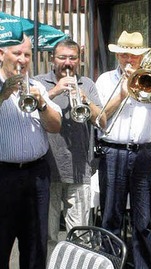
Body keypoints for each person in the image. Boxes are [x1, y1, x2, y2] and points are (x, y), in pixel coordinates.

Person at [95, 31, 151, 269]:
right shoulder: (104, 80)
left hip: (145, 153)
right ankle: (109, 264)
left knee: (143, 221)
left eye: (134, 55)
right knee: (111, 217)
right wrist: (122, 93)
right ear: (117, 56)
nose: (129, 60)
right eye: (124, 54)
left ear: (141, 56)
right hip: (113, 151)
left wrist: (150, 89)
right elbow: (100, 119)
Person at [33, 39, 104, 253]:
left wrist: (84, 99)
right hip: (47, 169)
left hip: (79, 169)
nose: (67, 62)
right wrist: (53, 92)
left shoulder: (87, 84)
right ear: (53, 60)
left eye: (72, 58)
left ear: (79, 61)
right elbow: (26, 115)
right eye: (62, 57)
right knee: (48, 235)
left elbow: (102, 120)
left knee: (80, 236)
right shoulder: (38, 83)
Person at [0, 35, 62, 269]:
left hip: (37, 174)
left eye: (27, 54)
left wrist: (42, 104)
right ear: (1, 54)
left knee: (36, 245)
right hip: (4, 176)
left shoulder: (36, 86)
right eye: (17, 53)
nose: (23, 59)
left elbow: (55, 126)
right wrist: (3, 95)